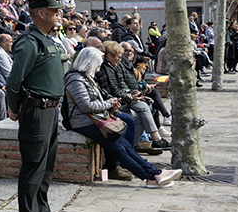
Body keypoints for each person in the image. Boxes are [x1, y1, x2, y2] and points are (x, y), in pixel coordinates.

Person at [64, 47, 182, 189]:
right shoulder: (76, 80)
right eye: (97, 65)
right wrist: (109, 103)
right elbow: (86, 105)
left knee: (124, 145)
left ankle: (154, 174)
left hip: (93, 119)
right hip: (83, 122)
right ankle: (151, 175)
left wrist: (111, 103)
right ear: (89, 63)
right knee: (118, 149)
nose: (98, 68)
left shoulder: (84, 77)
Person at [6, 0, 70, 212]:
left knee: (46, 168)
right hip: (36, 111)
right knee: (33, 168)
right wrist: (14, 109)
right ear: (41, 13)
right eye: (54, 11)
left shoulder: (46, 40)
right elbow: (14, 82)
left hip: (50, 111)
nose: (58, 14)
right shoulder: (29, 42)